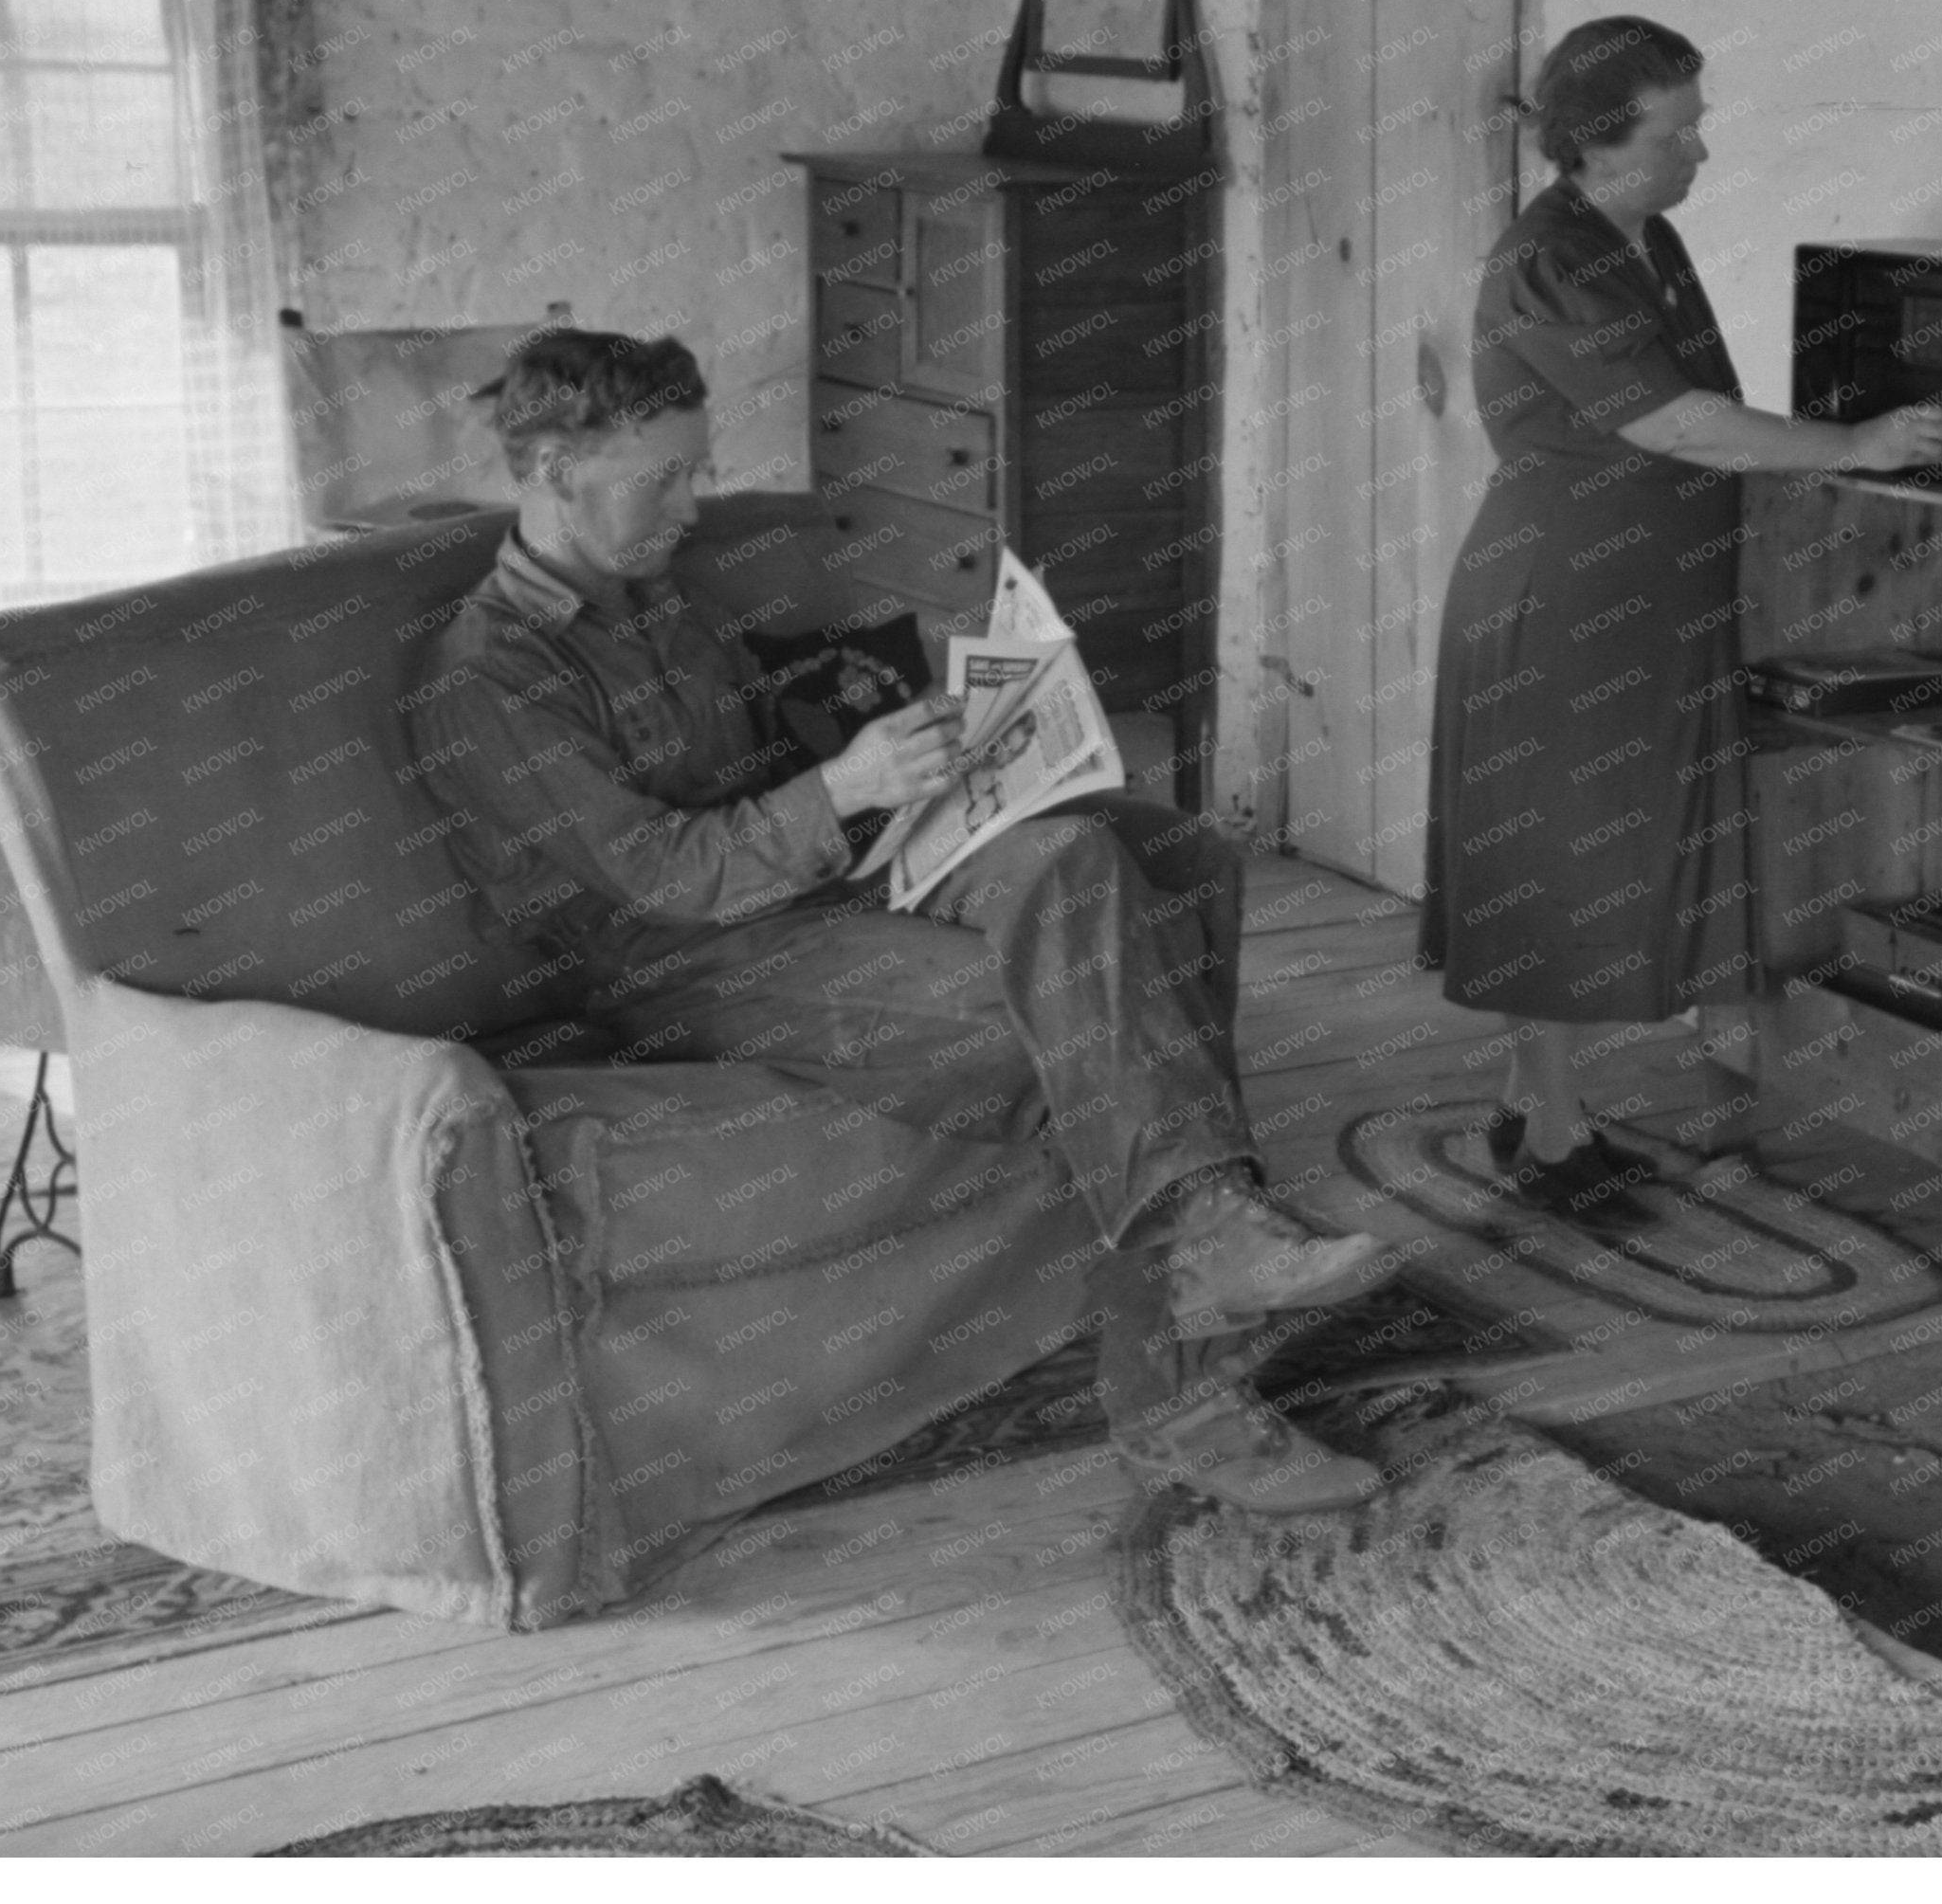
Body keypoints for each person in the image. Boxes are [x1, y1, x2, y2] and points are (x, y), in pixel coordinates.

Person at [403, 327, 1396, 1514]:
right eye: (662, 474)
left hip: (815, 884)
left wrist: (919, 741)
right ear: (556, 469)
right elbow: (666, 876)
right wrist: (844, 789)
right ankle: (1190, 1370)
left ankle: (1210, 1235)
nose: (693, 499)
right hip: (680, 961)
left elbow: (763, 757)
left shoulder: (658, 599)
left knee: (1113, 856)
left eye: (696, 466)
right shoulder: (488, 675)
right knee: (1088, 1007)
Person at [1421, 18, 1942, 1222]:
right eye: (1680, 129)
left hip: (1642, 599)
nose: (1701, 150)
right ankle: (1551, 1130)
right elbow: (1675, 422)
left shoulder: (1642, 238)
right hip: (1565, 600)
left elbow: (1705, 406)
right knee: (1556, 863)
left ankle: (1541, 1107)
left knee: (1594, 859)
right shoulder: (1546, 259)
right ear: (1601, 142)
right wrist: (1850, 445)